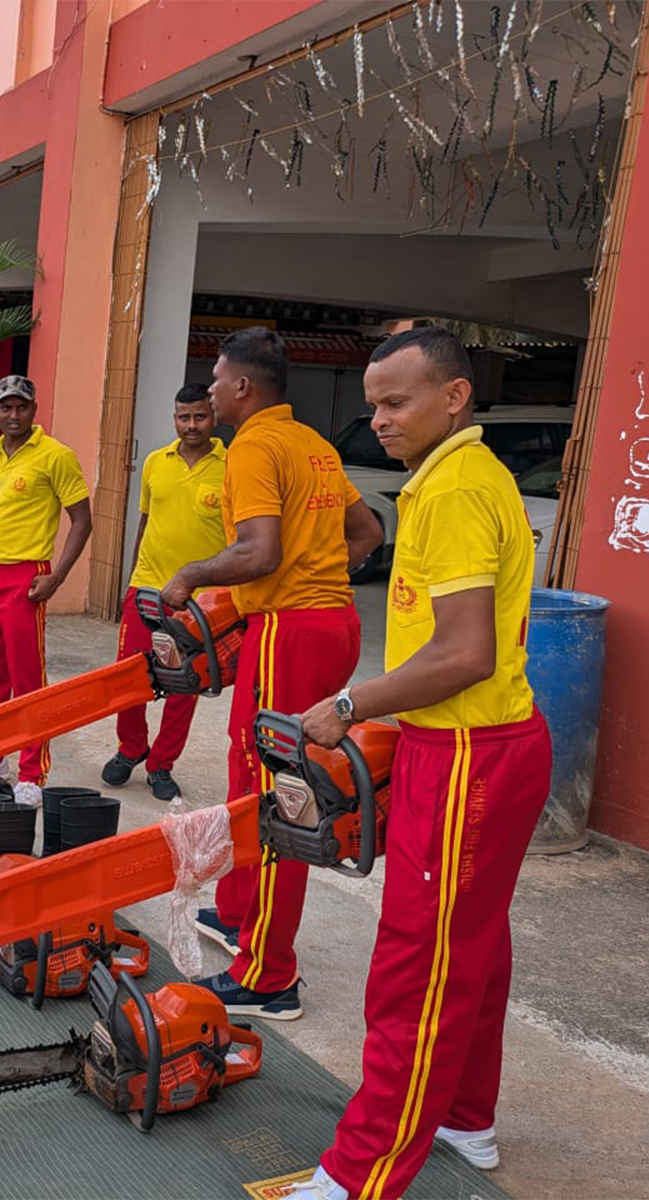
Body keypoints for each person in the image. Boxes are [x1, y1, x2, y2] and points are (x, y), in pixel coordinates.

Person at [286, 327, 550, 1199]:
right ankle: (467, 1120)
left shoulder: (457, 492)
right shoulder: (456, 478)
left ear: (455, 397)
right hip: (477, 742)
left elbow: (466, 651)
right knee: (471, 946)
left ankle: (360, 1173)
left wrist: (352, 704)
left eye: (396, 402)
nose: (380, 419)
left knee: (419, 961)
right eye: (374, 403)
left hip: (473, 751)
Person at [159, 327, 383, 1021]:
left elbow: (258, 552)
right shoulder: (312, 443)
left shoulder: (254, 445)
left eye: (218, 380)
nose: (213, 389)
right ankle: (239, 917)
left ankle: (269, 974)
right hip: (331, 623)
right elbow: (367, 534)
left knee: (279, 796)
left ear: (243, 387)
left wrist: (192, 574)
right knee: (253, 770)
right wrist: (319, 578)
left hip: (291, 629)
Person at [0, 375, 91, 807]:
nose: (12, 415)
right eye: (4, 407)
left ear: (34, 409)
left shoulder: (55, 456)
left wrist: (58, 577)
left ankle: (33, 771)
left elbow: (82, 521)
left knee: (27, 680)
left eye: (20, 407)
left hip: (25, 579)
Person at [101, 384, 227, 800]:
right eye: (183, 417)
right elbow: (145, 523)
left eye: (200, 417)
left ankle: (161, 764)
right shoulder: (156, 463)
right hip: (148, 587)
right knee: (126, 679)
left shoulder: (232, 467)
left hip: (200, 601)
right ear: (174, 419)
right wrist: (134, 579)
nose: (191, 425)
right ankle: (130, 748)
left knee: (184, 685)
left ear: (213, 416)